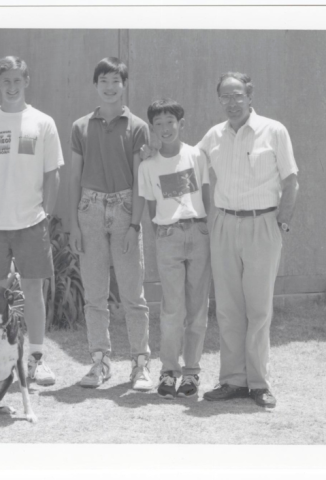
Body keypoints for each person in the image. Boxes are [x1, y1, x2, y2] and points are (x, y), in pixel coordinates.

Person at [197, 72, 299, 408]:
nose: (231, 102)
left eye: (237, 94)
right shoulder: (213, 136)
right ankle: (232, 381)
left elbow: (291, 180)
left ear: (249, 95)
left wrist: (281, 221)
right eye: (224, 96)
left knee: (258, 310)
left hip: (262, 225)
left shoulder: (274, 131)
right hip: (224, 225)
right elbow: (186, 166)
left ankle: (258, 383)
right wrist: (154, 147)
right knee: (228, 309)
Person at [0, 56, 63, 386]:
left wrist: (45, 214)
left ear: (27, 81)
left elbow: (53, 174)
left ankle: (36, 360)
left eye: (17, 80)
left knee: (34, 292)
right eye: (5, 80)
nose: (11, 86)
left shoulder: (43, 123)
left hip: (31, 223)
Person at [69, 57, 152, 391]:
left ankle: (140, 363)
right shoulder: (79, 127)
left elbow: (140, 179)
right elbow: (73, 177)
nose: (109, 86)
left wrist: (134, 224)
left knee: (133, 293)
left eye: (116, 80)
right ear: (95, 85)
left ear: (124, 84)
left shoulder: (137, 127)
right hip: (89, 210)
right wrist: (74, 223)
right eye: (103, 80)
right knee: (95, 295)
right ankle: (99, 361)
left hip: (124, 209)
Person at [137, 98, 211, 399]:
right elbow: (152, 207)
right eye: (159, 123)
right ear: (152, 128)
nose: (165, 128)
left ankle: (191, 372)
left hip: (198, 232)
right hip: (167, 236)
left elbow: (206, 194)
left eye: (171, 122)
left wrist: (203, 228)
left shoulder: (197, 156)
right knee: (172, 308)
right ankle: (169, 372)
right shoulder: (148, 165)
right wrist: (165, 233)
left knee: (197, 308)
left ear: (182, 124)